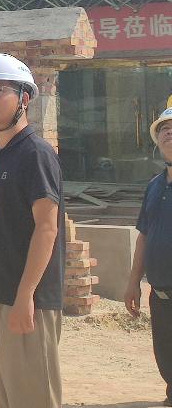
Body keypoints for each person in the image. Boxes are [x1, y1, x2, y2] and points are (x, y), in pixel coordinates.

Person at [0, 53, 64, 408]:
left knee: (33, 397)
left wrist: (25, 296)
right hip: (3, 297)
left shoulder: (35, 153)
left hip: (30, 300)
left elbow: (47, 228)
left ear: (24, 98)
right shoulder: (5, 154)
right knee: (9, 397)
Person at [124, 103, 172, 407]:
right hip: (160, 293)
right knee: (165, 353)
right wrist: (133, 283)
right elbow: (143, 236)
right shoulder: (154, 186)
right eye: (164, 129)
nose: (169, 133)